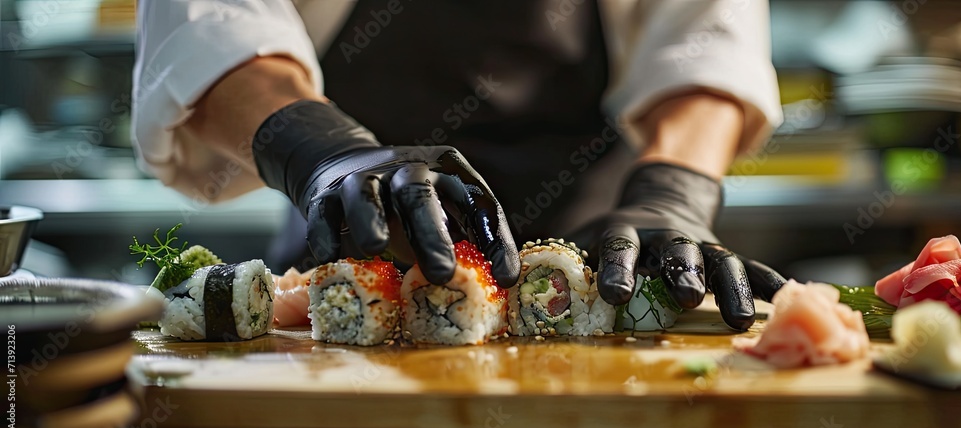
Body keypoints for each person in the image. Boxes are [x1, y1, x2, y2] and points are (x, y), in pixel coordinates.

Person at [132, 0, 785, 331]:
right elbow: (207, 24)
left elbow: (706, 37)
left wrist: (672, 192)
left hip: (598, 253)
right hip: (346, 241)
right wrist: (319, 147)